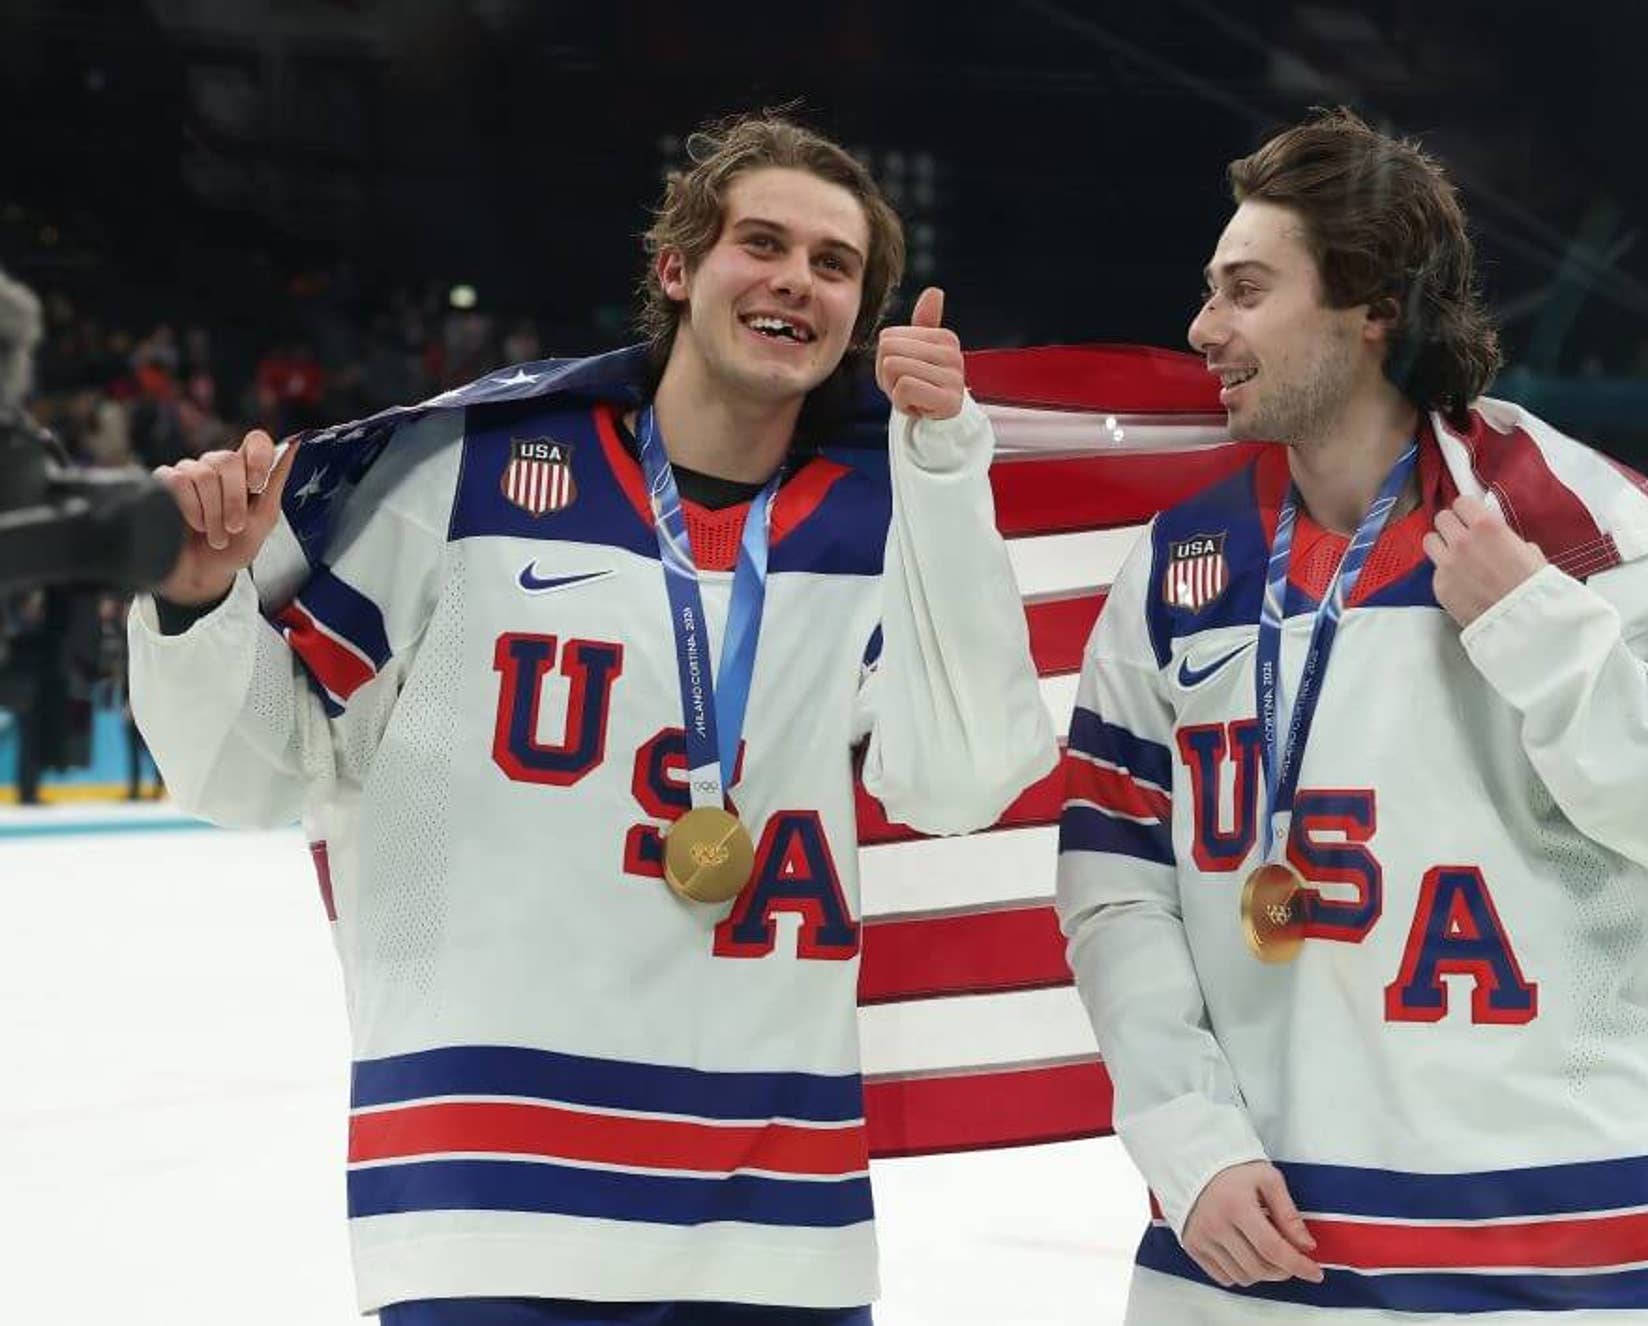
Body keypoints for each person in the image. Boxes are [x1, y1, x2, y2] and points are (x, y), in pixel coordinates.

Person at [129, 113, 1056, 1325]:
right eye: (762, 243)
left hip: (774, 1217)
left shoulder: (879, 521)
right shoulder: (460, 474)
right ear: (676, 268)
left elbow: (963, 781)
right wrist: (197, 602)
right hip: (485, 1200)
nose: (796, 280)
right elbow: (253, 777)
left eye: (834, 266)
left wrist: (944, 476)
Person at [1056, 108, 1648, 1323]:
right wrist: (1184, 1136)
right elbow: (1114, 882)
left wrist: (1543, 633)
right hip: (1248, 1257)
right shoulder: (1176, 569)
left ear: (1372, 306)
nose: (1203, 329)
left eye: (1245, 290)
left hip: (1563, 1263)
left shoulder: (1575, 530)